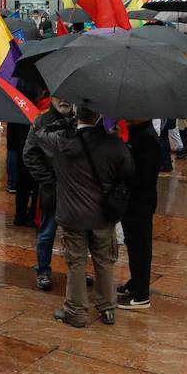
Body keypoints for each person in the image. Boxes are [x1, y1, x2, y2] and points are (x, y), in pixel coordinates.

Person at [25, 104, 134, 328]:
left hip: (72, 215)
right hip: (103, 215)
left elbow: (38, 132)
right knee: (104, 261)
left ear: (77, 113)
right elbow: (129, 169)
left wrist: (64, 121)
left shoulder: (62, 142)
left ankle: (75, 311)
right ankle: (107, 308)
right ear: (98, 115)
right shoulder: (112, 142)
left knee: (76, 263)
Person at [23, 96, 67, 290]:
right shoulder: (41, 121)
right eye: (60, 94)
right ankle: (42, 271)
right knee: (47, 232)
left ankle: (77, 270)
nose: (64, 99)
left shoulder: (79, 120)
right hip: (52, 189)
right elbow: (29, 154)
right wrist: (48, 180)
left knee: (77, 235)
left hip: (75, 190)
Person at [119, 118, 161, 311]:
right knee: (133, 245)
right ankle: (136, 283)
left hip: (140, 203)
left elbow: (142, 175)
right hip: (133, 202)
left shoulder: (147, 139)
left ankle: (141, 294)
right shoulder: (138, 133)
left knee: (140, 248)